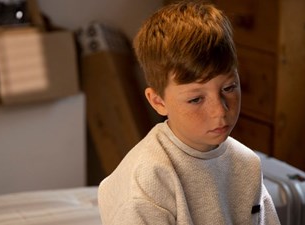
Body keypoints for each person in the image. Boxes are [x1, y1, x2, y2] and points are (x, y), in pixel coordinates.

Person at [98, 1, 280, 224]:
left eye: (229, 88)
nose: (219, 110)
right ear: (158, 101)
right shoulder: (149, 181)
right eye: (196, 99)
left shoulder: (247, 164)